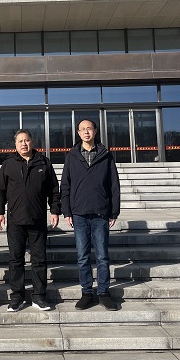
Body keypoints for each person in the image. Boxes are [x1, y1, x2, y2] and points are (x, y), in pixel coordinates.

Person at [0, 129, 60, 312]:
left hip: (37, 219)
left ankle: (39, 296)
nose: (24, 144)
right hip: (15, 221)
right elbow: (0, 191)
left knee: (39, 260)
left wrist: (55, 210)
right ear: (15, 145)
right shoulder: (8, 164)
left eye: (26, 140)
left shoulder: (43, 162)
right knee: (16, 260)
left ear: (32, 142)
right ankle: (17, 297)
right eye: (20, 141)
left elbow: (54, 189)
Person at [61, 119, 120, 311]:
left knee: (102, 256)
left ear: (95, 131)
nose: (86, 132)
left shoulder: (105, 155)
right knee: (82, 256)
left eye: (89, 129)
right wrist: (66, 210)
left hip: (100, 212)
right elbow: (65, 184)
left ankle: (103, 292)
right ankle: (87, 292)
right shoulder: (72, 156)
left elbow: (114, 184)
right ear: (78, 133)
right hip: (79, 213)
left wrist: (114, 211)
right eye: (82, 129)